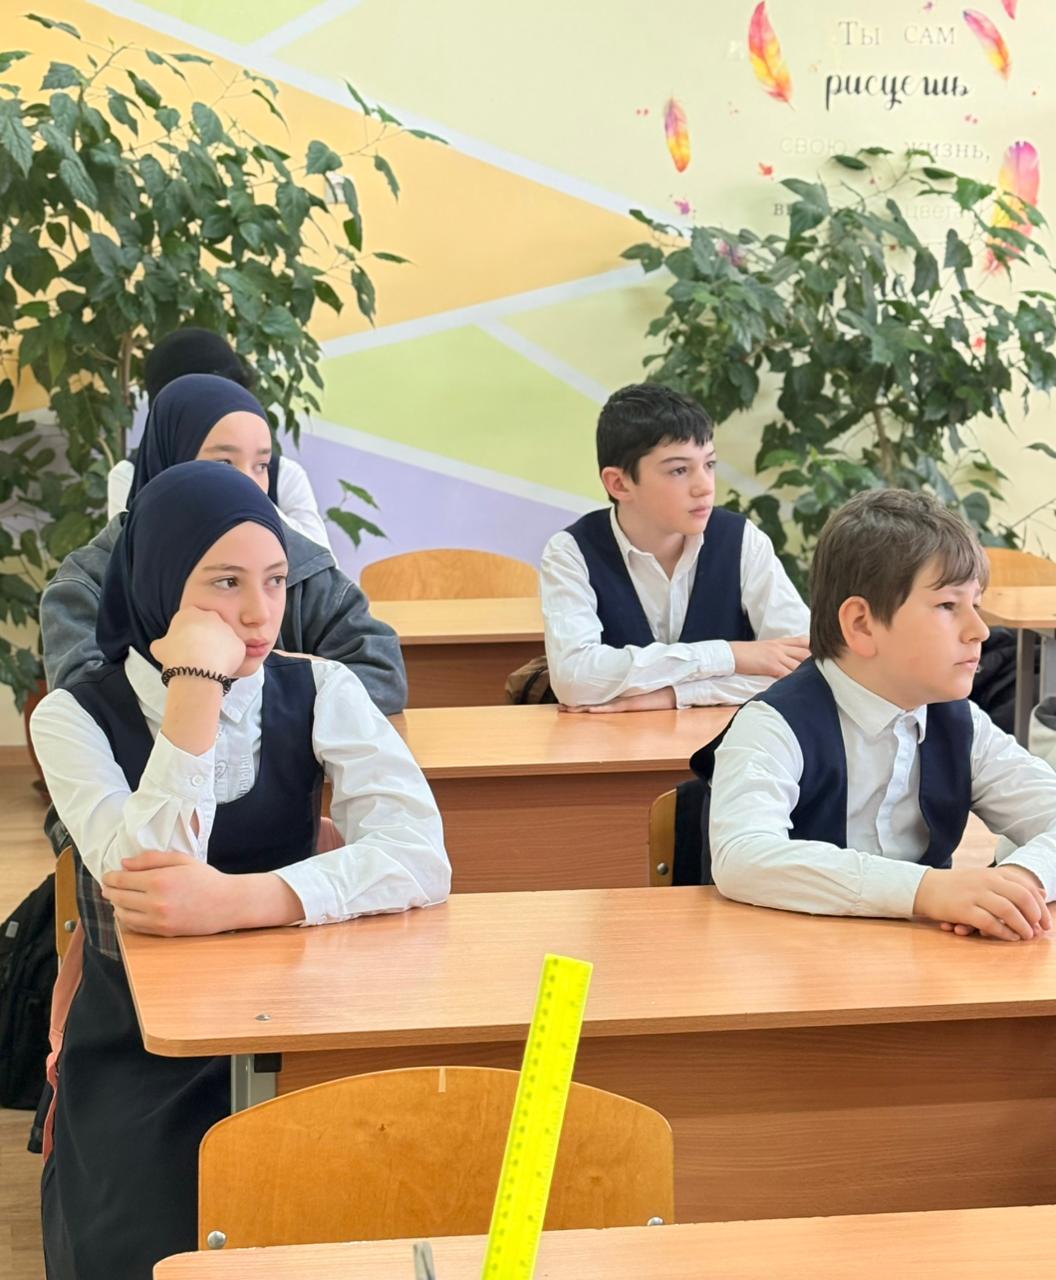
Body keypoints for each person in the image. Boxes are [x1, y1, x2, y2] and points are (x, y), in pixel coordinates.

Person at [31, 462, 450, 1280]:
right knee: (145, 1246)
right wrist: (196, 689)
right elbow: (152, 877)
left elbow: (420, 853)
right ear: (159, 583)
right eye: (226, 583)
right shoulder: (71, 715)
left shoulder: (320, 686)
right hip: (140, 1047)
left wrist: (240, 900)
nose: (260, 614)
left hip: (301, 1022)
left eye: (276, 581)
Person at [706, 488, 1056, 941]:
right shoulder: (774, 725)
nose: (980, 630)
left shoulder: (961, 723)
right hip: (792, 963)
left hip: (924, 961)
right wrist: (925, 890)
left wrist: (1021, 882)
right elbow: (742, 856)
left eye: (975, 603)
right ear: (861, 624)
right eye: (948, 606)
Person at [41, 374, 407, 714]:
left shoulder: (298, 562)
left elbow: (382, 676)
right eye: (224, 462)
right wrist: (292, 680)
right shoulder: (88, 582)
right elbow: (85, 710)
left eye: (261, 465)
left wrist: (264, 690)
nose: (248, 483)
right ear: (167, 460)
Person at [540, 384, 810, 712]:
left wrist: (673, 696)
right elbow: (574, 679)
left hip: (725, 740)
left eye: (709, 464)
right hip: (612, 740)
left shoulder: (743, 541)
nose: (704, 487)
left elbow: (807, 667)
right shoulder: (571, 552)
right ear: (619, 483)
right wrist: (729, 655)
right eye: (679, 470)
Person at [108, 326, 331, 549]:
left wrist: (254, 506)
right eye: (223, 463)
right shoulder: (128, 476)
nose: (224, 408)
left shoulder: (284, 474)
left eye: (261, 466)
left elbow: (322, 562)